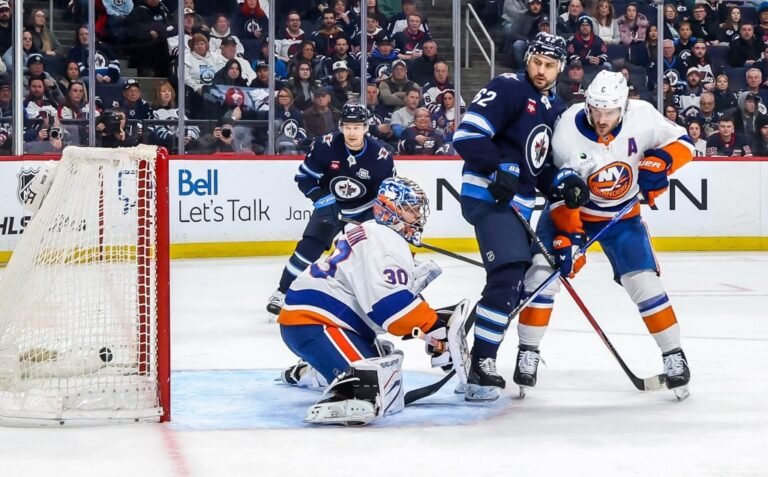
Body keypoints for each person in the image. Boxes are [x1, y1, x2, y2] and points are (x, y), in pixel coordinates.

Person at [513, 70, 693, 400]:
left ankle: (673, 355)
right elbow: (560, 190)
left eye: (609, 112)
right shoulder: (568, 130)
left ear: (623, 107)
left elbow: (685, 143)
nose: (601, 119)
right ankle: (528, 350)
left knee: (644, 283)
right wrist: (567, 237)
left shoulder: (643, 116)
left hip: (623, 217)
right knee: (541, 276)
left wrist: (662, 161)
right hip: (573, 212)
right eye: (596, 110)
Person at [278, 176, 466, 426]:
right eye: (411, 209)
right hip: (315, 322)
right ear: (391, 209)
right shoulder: (384, 240)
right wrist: (433, 325)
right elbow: (390, 310)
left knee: (384, 361)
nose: (417, 216)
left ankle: (314, 370)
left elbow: (388, 301)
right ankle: (334, 382)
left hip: (324, 321)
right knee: (368, 386)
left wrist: (431, 329)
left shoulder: (376, 233)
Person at [452, 32, 573, 401]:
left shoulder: (555, 108)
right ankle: (481, 364)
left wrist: (563, 185)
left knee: (514, 281)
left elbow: (539, 169)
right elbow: (467, 136)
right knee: (508, 275)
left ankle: (467, 348)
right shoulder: (508, 87)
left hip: (518, 204)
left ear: (560, 69)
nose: (541, 70)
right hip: (486, 195)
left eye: (549, 65)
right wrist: (498, 168)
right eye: (537, 62)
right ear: (527, 60)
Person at [266, 103, 396, 316]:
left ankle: (380, 298)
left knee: (372, 254)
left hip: (364, 210)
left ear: (366, 128)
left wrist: (372, 219)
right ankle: (282, 292)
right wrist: (322, 201)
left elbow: (384, 194)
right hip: (330, 203)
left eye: (357, 127)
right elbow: (304, 178)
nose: (352, 133)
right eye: (348, 127)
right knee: (308, 248)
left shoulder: (380, 156)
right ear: (341, 126)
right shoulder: (325, 146)